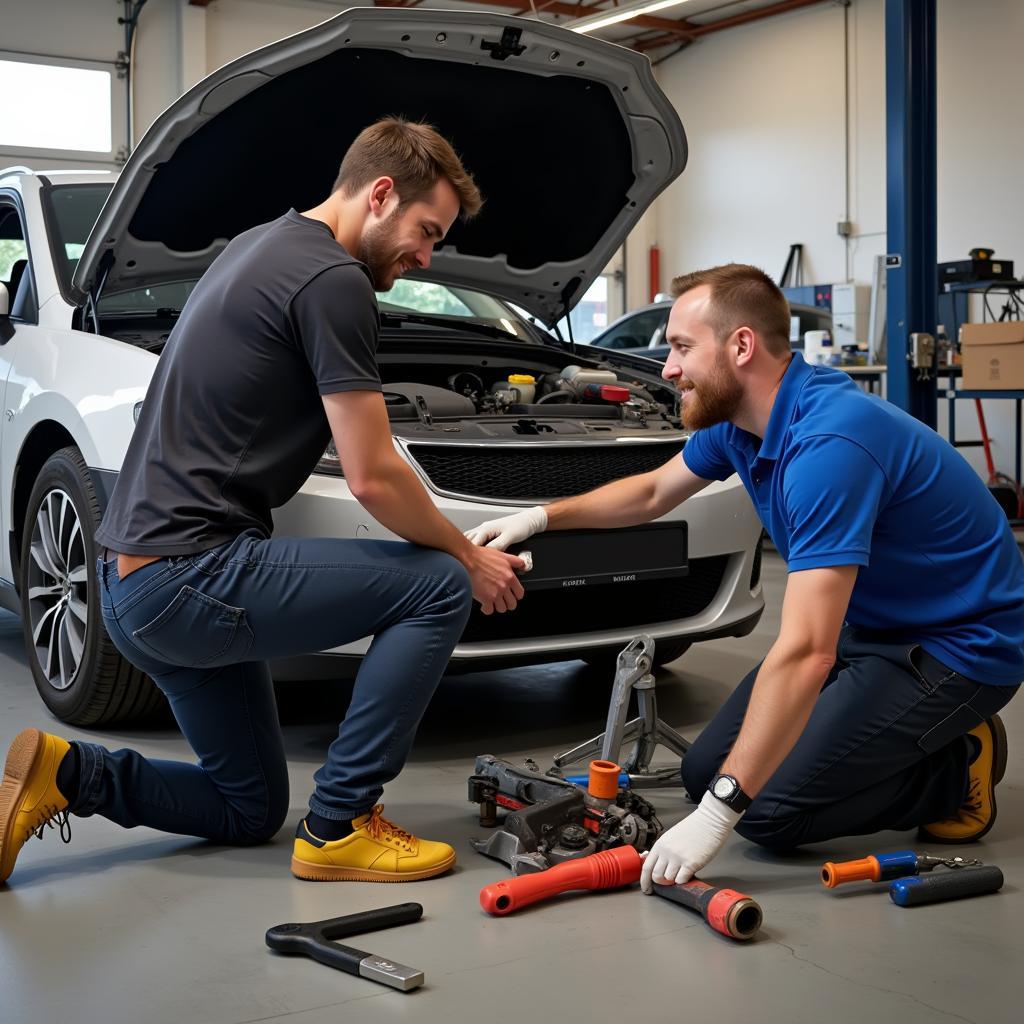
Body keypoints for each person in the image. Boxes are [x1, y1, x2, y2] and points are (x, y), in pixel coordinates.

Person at [0, 117, 525, 887]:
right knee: (439, 585)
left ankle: (69, 774)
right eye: (426, 231)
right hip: (188, 575)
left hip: (131, 580)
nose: (427, 255)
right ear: (381, 194)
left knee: (244, 806)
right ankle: (341, 823)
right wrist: (469, 553)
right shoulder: (334, 280)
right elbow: (374, 474)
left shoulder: (262, 244)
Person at [464, 263, 1024, 893]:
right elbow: (651, 492)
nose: (667, 368)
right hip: (871, 625)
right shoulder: (743, 425)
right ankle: (896, 744)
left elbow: (807, 652)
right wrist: (538, 518)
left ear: (741, 347)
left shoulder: (830, 446)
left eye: (681, 348)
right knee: (707, 770)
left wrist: (716, 818)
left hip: (959, 647)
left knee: (770, 813)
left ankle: (956, 765)